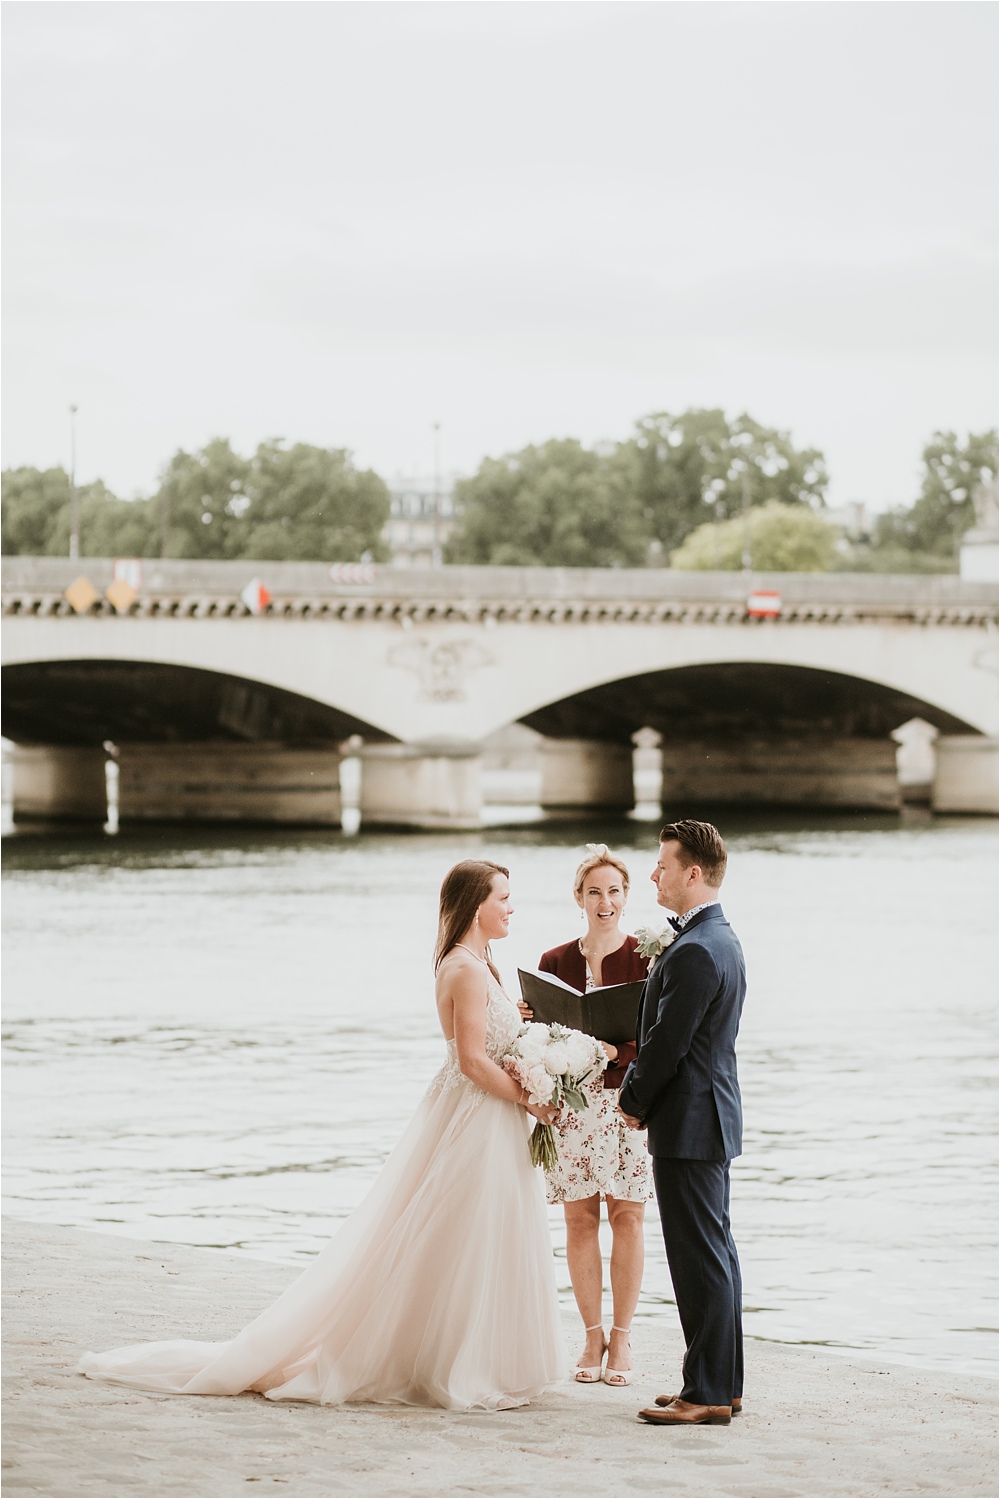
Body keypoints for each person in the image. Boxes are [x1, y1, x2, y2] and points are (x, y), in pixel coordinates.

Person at [79, 860, 566, 1411]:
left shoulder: (485, 965)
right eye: (503, 897)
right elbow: (474, 1062)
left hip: (491, 1116)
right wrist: (532, 1098)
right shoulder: (465, 968)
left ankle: (481, 1355)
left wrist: (524, 1034)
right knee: (462, 1235)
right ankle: (449, 1362)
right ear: (476, 904)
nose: (511, 907)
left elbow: (490, 1041)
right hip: (478, 1115)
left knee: (484, 1232)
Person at [618, 820, 746, 1427]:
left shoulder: (695, 949)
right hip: (708, 1116)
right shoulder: (720, 938)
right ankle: (721, 1381)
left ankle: (708, 1393)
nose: (654, 876)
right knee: (715, 1252)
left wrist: (633, 1100)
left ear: (692, 873)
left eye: (663, 866)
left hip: (691, 1120)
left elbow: (668, 1045)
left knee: (699, 1257)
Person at [534, 844, 652, 1389]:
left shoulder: (651, 957)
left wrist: (614, 1053)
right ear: (578, 898)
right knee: (579, 1219)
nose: (605, 902)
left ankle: (624, 1337)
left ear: (626, 896)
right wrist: (529, 1022)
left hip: (629, 1104)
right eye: (594, 892)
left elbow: (660, 1036)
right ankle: (591, 1333)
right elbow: (538, 1038)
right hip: (572, 1107)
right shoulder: (554, 961)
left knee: (627, 1216)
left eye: (614, 891)